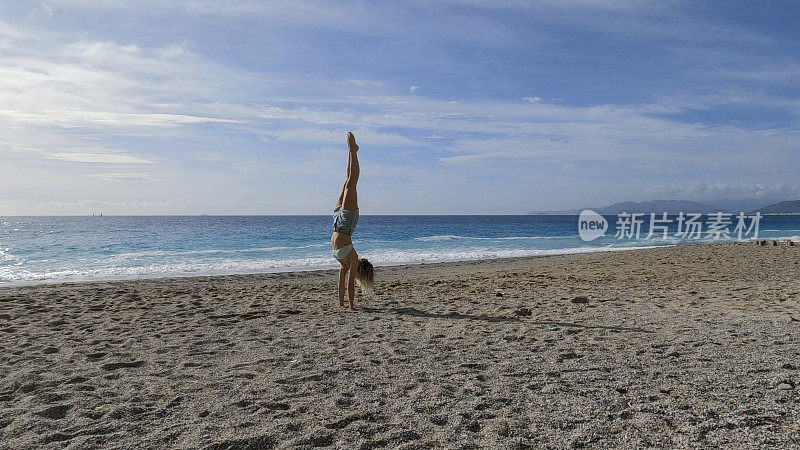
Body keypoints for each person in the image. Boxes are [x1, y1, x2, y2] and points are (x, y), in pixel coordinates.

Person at [331, 132, 374, 309]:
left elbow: (342, 283)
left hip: (337, 223)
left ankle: (351, 151)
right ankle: (353, 151)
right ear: (361, 272)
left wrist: (342, 304)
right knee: (351, 183)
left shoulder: (345, 264)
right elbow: (349, 285)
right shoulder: (353, 260)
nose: (356, 278)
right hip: (346, 225)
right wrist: (352, 306)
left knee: (346, 183)